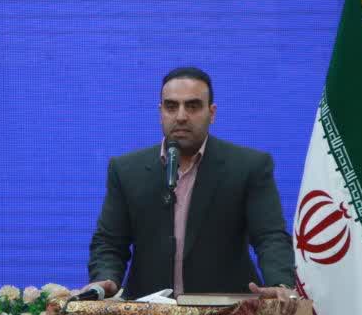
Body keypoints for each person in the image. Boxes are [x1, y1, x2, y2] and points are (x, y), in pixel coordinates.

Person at [84, 67, 295, 301]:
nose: (181, 116)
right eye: (171, 106)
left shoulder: (249, 166)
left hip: (225, 312)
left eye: (193, 106)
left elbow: (270, 236)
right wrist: (105, 278)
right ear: (160, 112)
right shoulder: (126, 170)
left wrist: (280, 283)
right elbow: (110, 242)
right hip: (147, 314)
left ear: (212, 113)